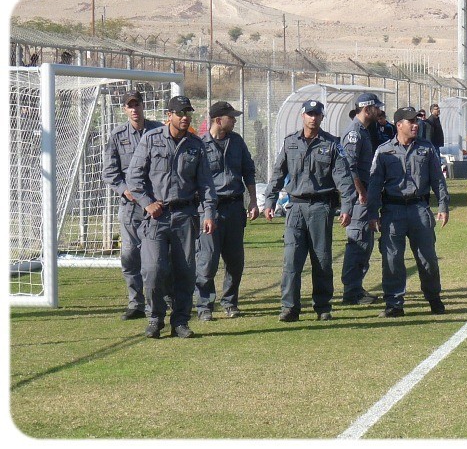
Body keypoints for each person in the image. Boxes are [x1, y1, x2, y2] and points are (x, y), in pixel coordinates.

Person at [127, 95, 218, 338]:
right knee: (153, 269)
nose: (185, 117)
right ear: (169, 116)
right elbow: (134, 178)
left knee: (185, 271)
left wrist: (209, 213)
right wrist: (147, 203)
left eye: (188, 112)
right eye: (180, 113)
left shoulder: (196, 145)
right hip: (156, 217)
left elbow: (206, 184)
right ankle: (155, 318)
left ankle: (180, 321)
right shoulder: (151, 139)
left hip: (185, 215)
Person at [263, 100, 356, 322]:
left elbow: (343, 178)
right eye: (309, 114)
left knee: (321, 259)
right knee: (291, 260)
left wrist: (347, 205)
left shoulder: (332, 144)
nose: (313, 118)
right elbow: (277, 174)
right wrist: (269, 200)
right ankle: (289, 307)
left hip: (321, 208)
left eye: (317, 114)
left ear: (322, 117)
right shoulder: (290, 143)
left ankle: (322, 306)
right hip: (295, 207)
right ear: (302, 116)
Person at [367, 106, 450, 318]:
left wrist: (443, 206)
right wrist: (372, 213)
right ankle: (394, 303)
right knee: (392, 258)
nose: (416, 125)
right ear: (399, 125)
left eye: (417, 121)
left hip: (419, 209)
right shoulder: (384, 151)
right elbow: (375, 184)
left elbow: (438, 180)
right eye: (411, 121)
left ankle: (434, 298)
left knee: (427, 257)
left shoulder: (426, 148)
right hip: (392, 210)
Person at [194, 101, 259, 321]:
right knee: (208, 260)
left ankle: (230, 302)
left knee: (235, 261)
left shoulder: (237, 142)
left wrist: (253, 201)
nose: (234, 121)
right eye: (231, 117)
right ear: (218, 120)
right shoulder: (200, 145)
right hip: (210, 210)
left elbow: (248, 170)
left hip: (234, 208)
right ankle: (204, 305)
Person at [102, 90, 164, 320]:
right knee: (130, 254)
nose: (134, 109)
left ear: (143, 106)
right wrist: (125, 190)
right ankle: (135, 303)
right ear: (125, 109)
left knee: (158, 255)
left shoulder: (158, 130)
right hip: (131, 205)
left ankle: (160, 299)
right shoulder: (117, 135)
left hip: (155, 203)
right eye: (130, 105)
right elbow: (110, 172)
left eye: (137, 104)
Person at [340, 92, 384, 305]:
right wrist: (361, 191)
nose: (380, 111)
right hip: (360, 198)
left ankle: (356, 288)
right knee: (358, 242)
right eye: (377, 108)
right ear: (367, 109)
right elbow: (349, 166)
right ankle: (351, 292)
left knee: (365, 242)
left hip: (366, 195)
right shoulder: (354, 133)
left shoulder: (364, 131)